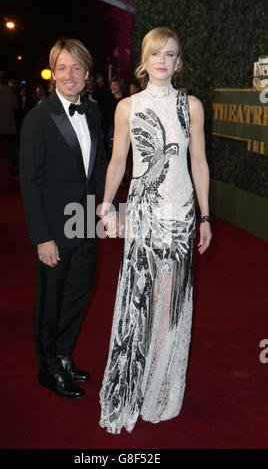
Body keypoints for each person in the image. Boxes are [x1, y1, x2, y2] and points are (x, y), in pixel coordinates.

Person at [99, 27, 212, 433]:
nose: (163, 61)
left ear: (179, 62)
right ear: (143, 60)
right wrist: (107, 203)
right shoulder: (127, 107)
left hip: (181, 217)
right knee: (140, 302)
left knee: (171, 305)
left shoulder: (192, 106)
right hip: (145, 217)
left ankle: (161, 388)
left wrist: (205, 216)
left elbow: (198, 163)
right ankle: (134, 383)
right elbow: (117, 163)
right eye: (156, 54)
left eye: (171, 54)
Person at [19, 38, 118, 400]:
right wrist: (41, 237)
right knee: (50, 298)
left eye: (76, 67)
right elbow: (30, 183)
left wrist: (109, 209)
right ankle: (48, 369)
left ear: (87, 73)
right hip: (53, 226)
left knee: (80, 290)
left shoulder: (92, 111)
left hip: (86, 218)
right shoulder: (38, 118)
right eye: (62, 67)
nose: (69, 74)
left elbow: (101, 165)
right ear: (52, 73)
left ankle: (63, 355)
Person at [0, 71, 19, 176]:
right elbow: (16, 105)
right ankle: (16, 166)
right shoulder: (9, 90)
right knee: (12, 147)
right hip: (9, 123)